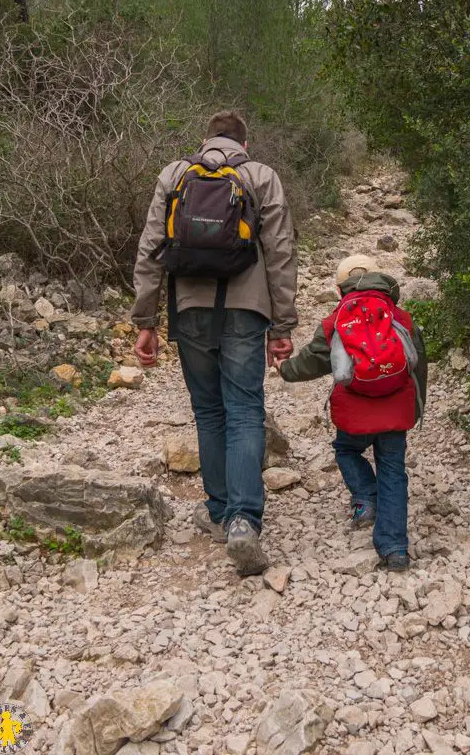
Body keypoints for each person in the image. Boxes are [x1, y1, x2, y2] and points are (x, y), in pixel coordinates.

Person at [131, 110, 297, 576]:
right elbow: (281, 252)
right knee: (244, 409)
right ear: (246, 142)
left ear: (205, 139)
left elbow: (150, 248)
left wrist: (145, 320)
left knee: (208, 410)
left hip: (190, 309)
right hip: (248, 309)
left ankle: (220, 511)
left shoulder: (175, 173)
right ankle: (245, 519)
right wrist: (282, 327)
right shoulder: (261, 176)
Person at [279, 254, 426, 570]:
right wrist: (415, 410)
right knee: (393, 470)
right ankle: (395, 548)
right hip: (395, 412)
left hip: (354, 412)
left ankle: (365, 497)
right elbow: (418, 367)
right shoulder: (401, 317)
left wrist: (285, 370)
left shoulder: (336, 321)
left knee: (345, 451)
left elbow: (313, 361)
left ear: (340, 287)